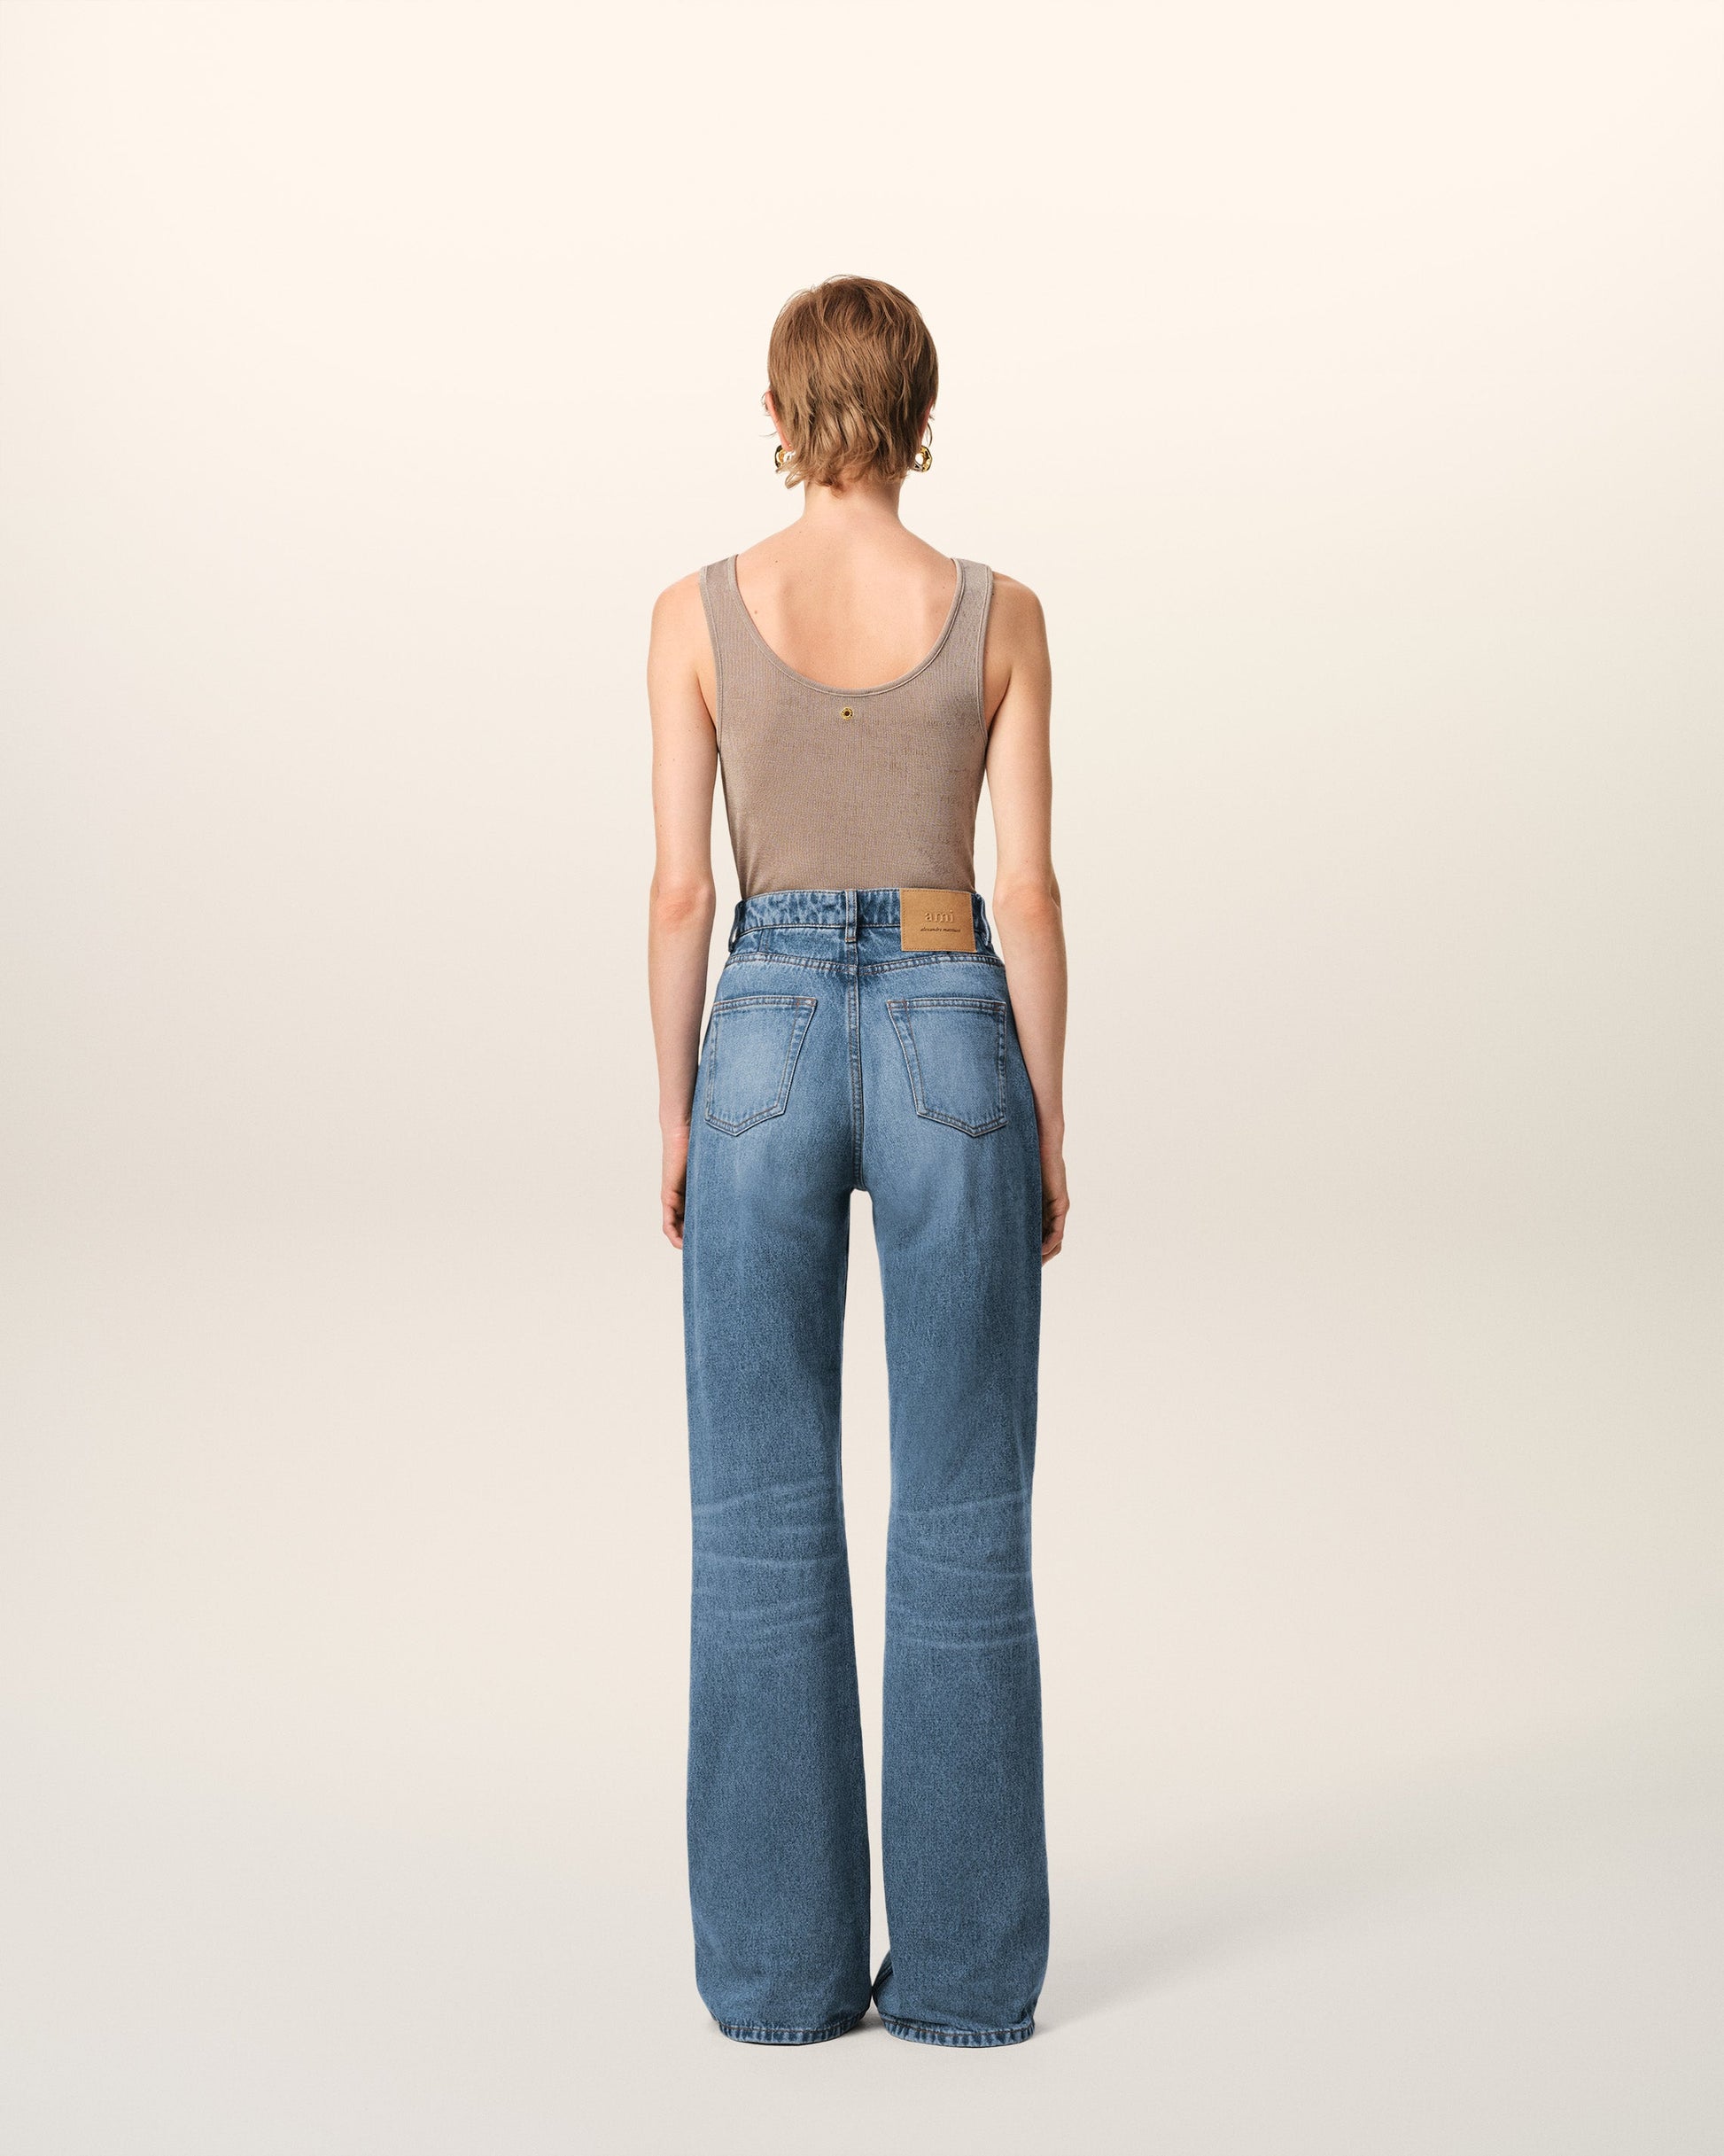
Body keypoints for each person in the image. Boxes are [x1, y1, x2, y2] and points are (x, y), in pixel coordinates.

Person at [645, 275, 1069, 2049]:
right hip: (949, 1013)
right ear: (919, 409)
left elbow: (682, 888)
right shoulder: (998, 613)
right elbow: (1025, 887)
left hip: (757, 1028)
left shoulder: (690, 613)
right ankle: (964, 1981)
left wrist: (676, 1109)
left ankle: (779, 1978)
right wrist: (1045, 1115)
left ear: (779, 408)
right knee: (962, 1517)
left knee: (756, 1519)